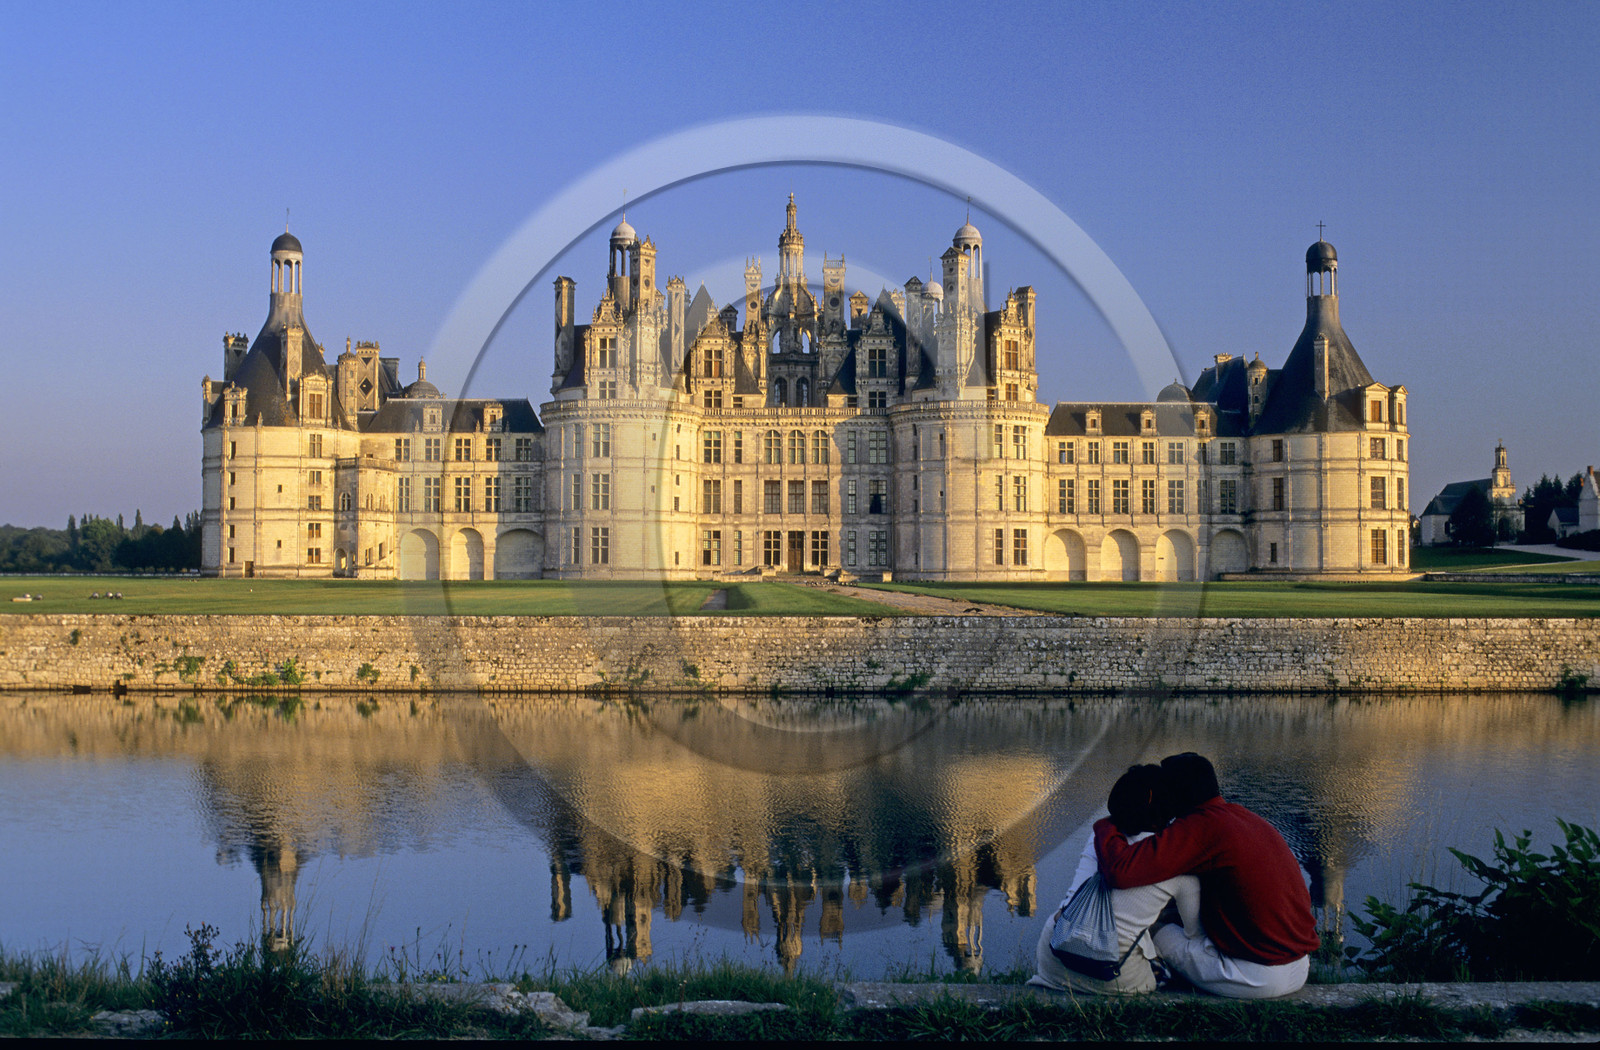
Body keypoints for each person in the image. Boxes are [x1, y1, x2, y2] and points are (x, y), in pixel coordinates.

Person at [1093, 752, 1319, 999]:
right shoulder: (1242, 817)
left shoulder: (1200, 827)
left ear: (1176, 795)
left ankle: (1145, 981)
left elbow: (1120, 871)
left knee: (1155, 928)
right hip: (1298, 966)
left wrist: (1107, 825)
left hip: (1254, 976)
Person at [1030, 765, 1202, 995]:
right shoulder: (1177, 857)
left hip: (1054, 955)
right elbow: (1194, 934)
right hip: (1111, 972)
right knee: (1165, 951)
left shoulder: (1100, 836)